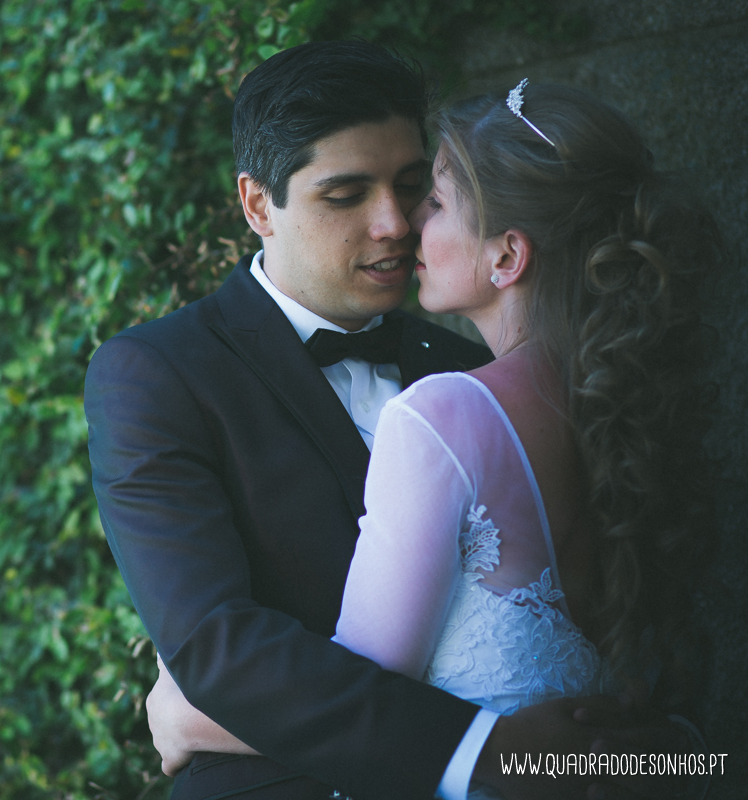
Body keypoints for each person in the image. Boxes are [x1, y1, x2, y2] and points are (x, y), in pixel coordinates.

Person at [86, 40, 692, 800]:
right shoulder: (158, 374)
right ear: (255, 204)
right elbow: (218, 646)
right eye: (345, 196)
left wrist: (192, 716)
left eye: (414, 189)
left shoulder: (475, 369)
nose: (394, 225)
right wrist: (487, 751)